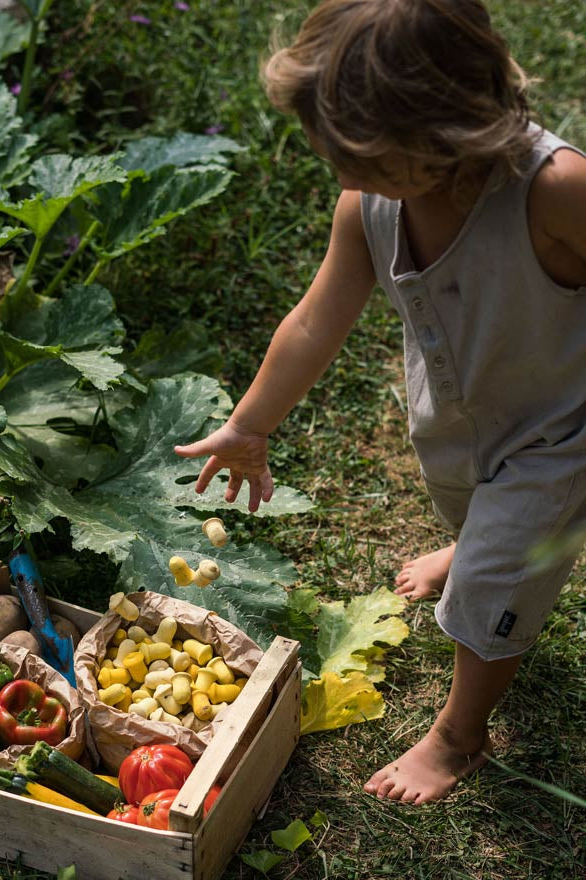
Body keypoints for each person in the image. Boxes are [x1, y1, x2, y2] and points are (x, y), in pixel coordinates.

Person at [174, 0, 586, 805]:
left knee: (496, 580)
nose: (341, 172)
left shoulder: (557, 191)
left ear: (451, 132)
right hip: (460, 420)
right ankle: (473, 545)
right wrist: (249, 425)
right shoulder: (369, 204)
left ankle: (459, 737)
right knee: (472, 512)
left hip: (561, 431)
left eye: (364, 156)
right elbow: (313, 322)